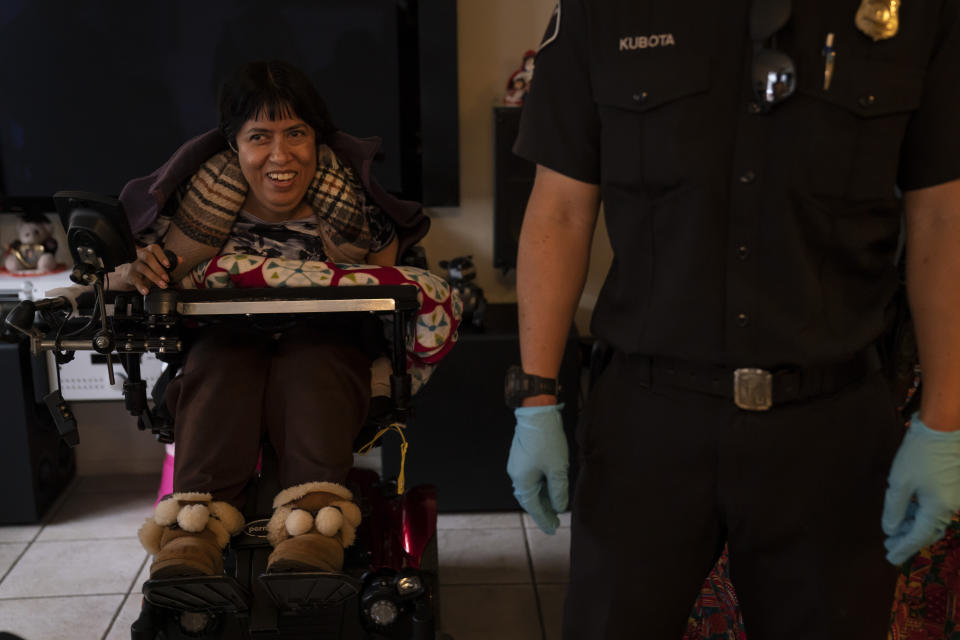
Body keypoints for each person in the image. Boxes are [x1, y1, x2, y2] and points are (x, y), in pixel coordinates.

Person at [505, 1, 960, 639]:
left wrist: (945, 424)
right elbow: (559, 209)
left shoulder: (920, 13)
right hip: (647, 424)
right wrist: (536, 398)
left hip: (830, 431)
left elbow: (944, 215)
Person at [118, 60, 426, 579]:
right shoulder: (173, 225)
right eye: (259, 136)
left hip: (327, 357)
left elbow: (386, 295)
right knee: (222, 358)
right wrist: (132, 270)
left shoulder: (366, 220)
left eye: (296, 134)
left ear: (318, 141)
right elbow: (115, 281)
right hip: (220, 354)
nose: (280, 156)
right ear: (232, 146)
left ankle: (312, 531)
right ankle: (193, 533)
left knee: (314, 359)